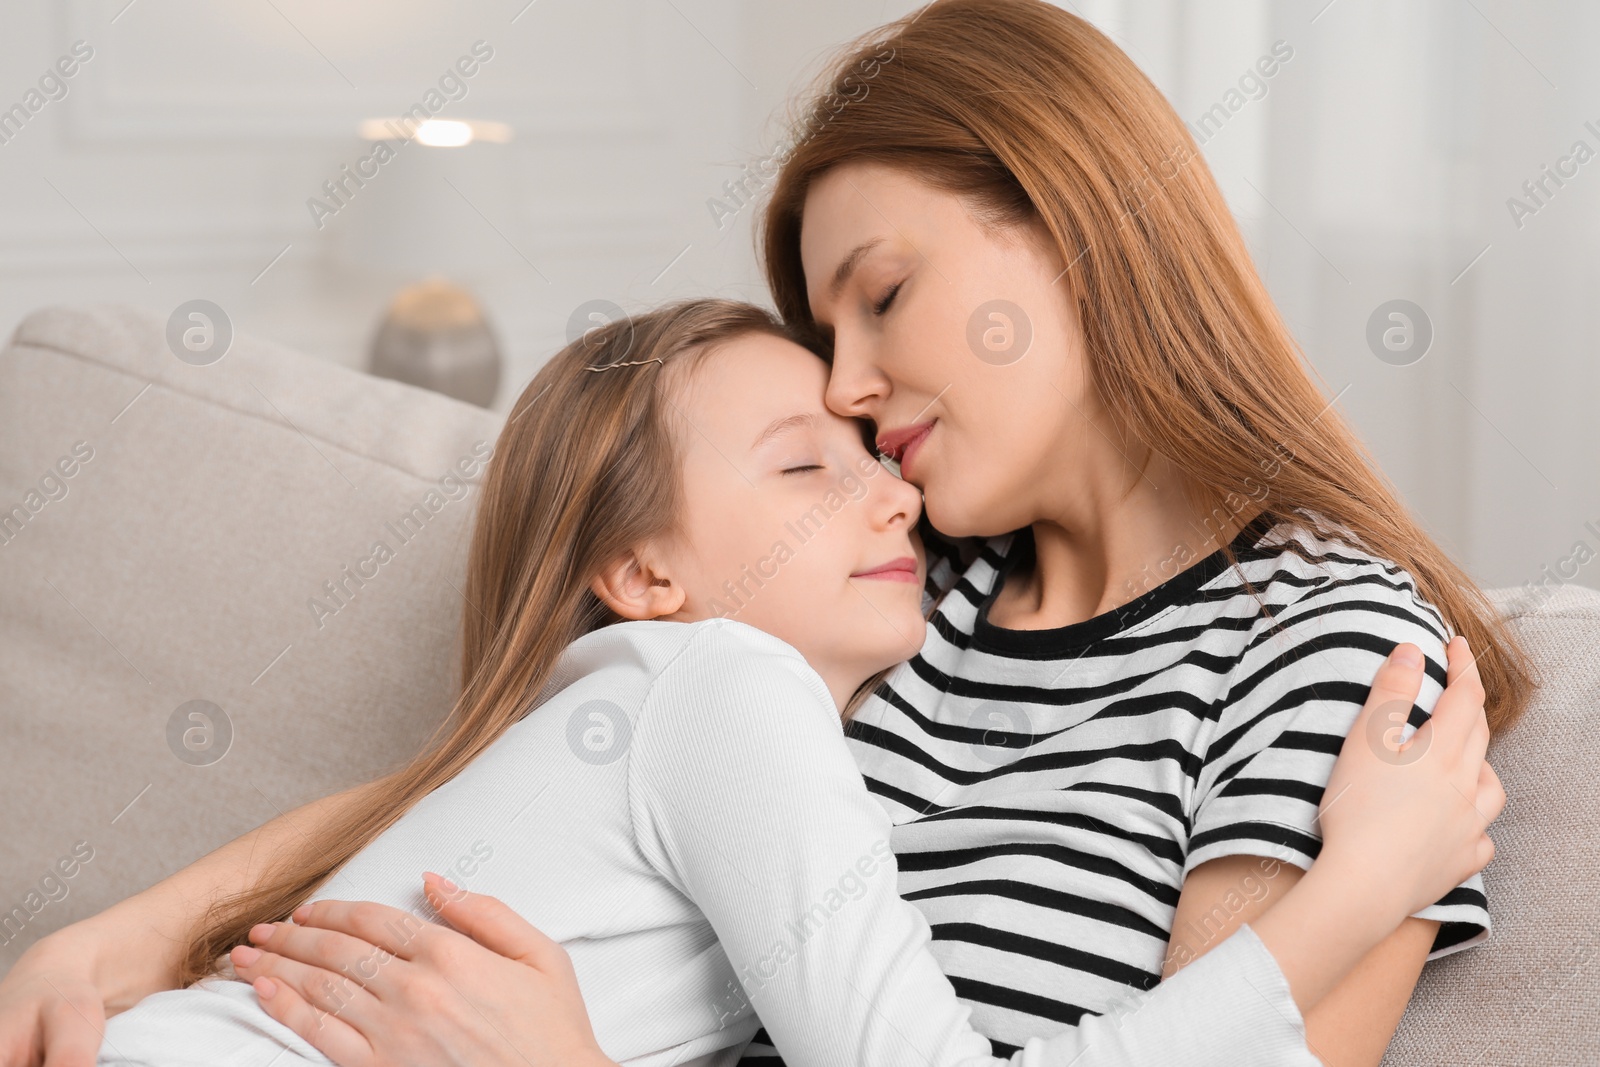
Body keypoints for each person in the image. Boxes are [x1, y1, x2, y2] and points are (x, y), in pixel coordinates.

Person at [0, 300, 1499, 1067]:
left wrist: (116, 937)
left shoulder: (645, 717)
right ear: (645, 574)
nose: (892, 494)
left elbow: (401, 800)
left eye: (873, 454)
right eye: (804, 466)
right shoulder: (721, 686)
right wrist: (1355, 893)